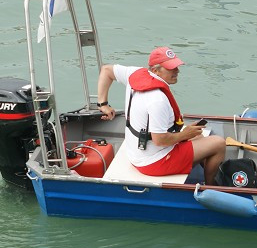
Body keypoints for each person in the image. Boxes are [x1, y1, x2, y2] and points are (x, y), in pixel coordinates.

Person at [96, 46, 225, 184]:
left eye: (176, 66)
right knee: (218, 143)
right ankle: (211, 187)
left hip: (135, 152)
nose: (177, 71)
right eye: (171, 68)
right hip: (153, 162)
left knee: (199, 135)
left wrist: (103, 104)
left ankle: (202, 165)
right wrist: (185, 134)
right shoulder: (157, 99)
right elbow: (159, 140)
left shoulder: (135, 73)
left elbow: (106, 70)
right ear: (155, 70)